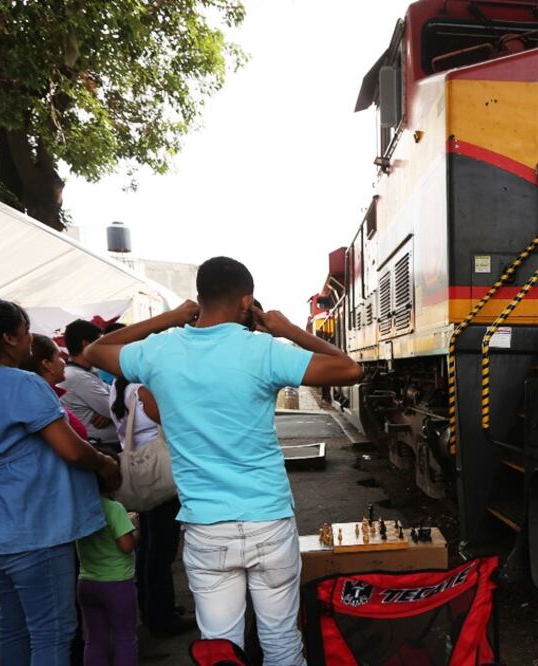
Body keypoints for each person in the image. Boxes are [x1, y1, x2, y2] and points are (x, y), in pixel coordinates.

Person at [84, 257, 362, 666]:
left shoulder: (160, 349)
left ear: (199, 299)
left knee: (220, 648)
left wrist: (171, 318)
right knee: (283, 644)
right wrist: (288, 331)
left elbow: (95, 350)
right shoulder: (263, 350)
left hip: (205, 527)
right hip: (268, 518)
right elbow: (350, 368)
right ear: (247, 301)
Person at [0, 298, 122, 666]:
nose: (28, 342)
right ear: (8, 339)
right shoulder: (22, 384)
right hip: (34, 527)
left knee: (14, 627)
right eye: (24, 334)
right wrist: (104, 464)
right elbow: (71, 450)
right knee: (52, 632)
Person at [106, 361, 193, 637]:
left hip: (137, 476)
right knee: (162, 549)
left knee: (148, 547)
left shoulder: (116, 389)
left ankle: (151, 607)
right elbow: (171, 418)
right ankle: (161, 615)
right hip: (158, 474)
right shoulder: (142, 390)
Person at [76, 474, 139, 666]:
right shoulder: (114, 508)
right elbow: (126, 545)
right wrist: (135, 529)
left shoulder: (79, 508)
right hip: (117, 583)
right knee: (125, 637)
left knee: (95, 639)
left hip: (86, 582)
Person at [60, 320, 118, 450]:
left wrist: (111, 411)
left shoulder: (85, 373)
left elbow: (115, 406)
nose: (104, 350)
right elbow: (118, 409)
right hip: (103, 447)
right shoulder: (78, 377)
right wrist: (113, 410)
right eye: (100, 344)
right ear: (86, 344)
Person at [21, 334, 90, 440]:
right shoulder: (44, 403)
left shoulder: (45, 397)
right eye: (59, 356)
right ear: (47, 364)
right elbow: (73, 453)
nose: (64, 363)